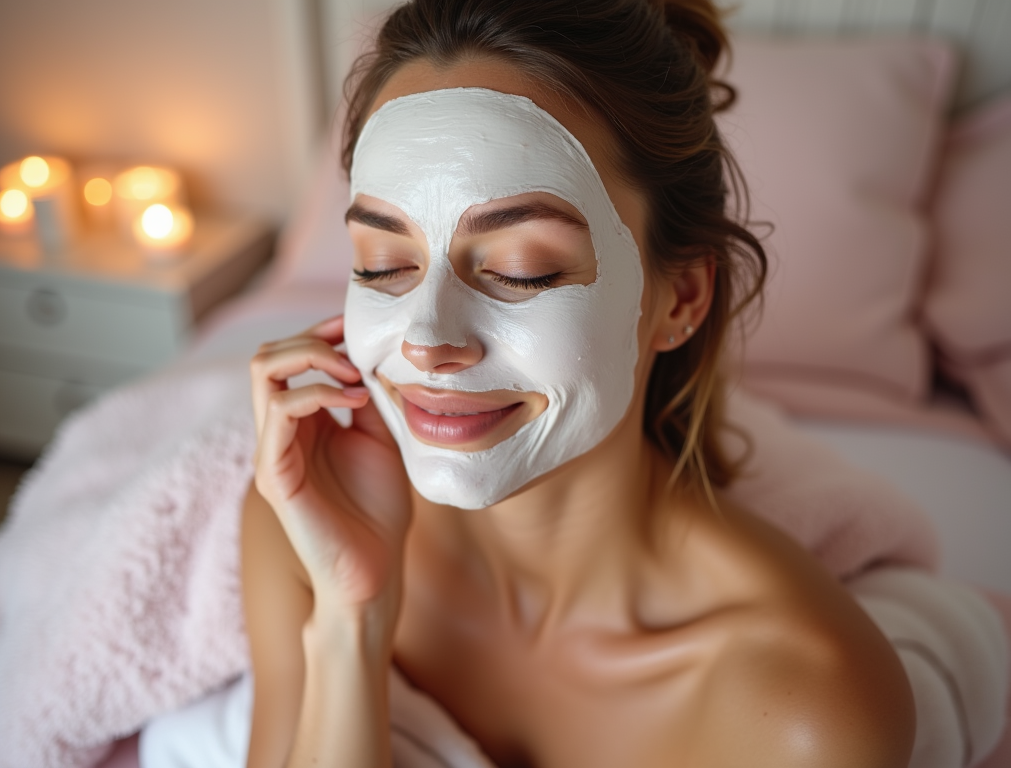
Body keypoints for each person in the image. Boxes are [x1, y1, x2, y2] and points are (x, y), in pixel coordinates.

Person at [241, 1, 917, 766]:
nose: (428, 343)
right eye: (381, 265)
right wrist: (349, 620)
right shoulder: (311, 518)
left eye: (519, 270)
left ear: (681, 299)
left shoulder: (805, 702)